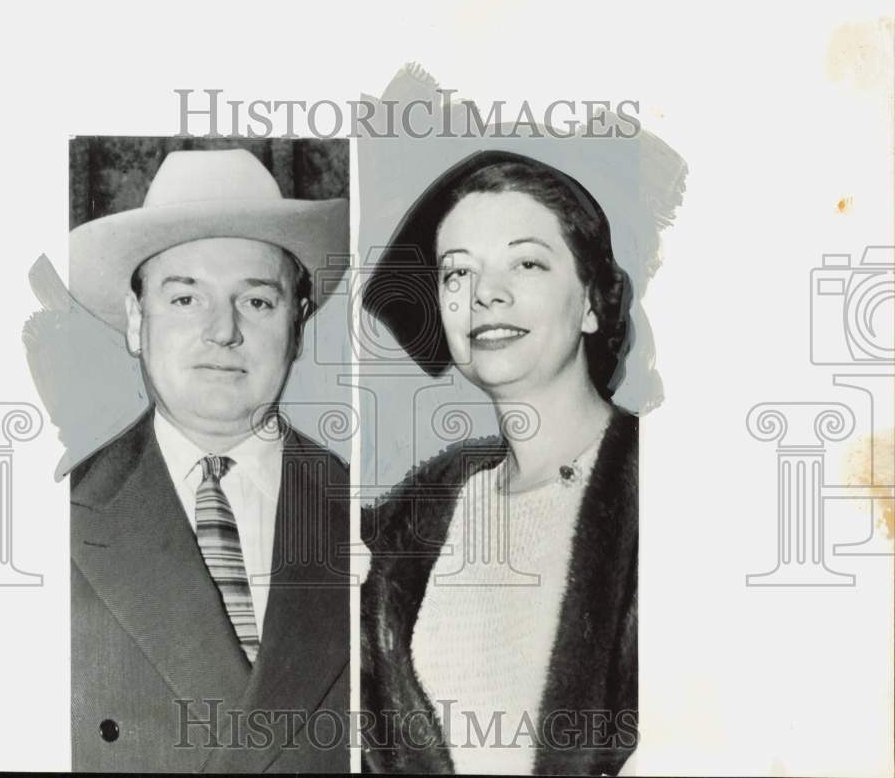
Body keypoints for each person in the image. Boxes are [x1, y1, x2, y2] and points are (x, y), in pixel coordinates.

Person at [67, 149, 351, 773]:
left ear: (298, 325)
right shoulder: (53, 523)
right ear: (137, 320)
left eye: (256, 302)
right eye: (186, 299)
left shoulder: (374, 517)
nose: (223, 331)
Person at [360, 149, 638, 775]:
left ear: (592, 301)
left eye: (527, 262)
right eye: (457, 273)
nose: (485, 294)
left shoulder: (671, 488)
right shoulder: (416, 522)